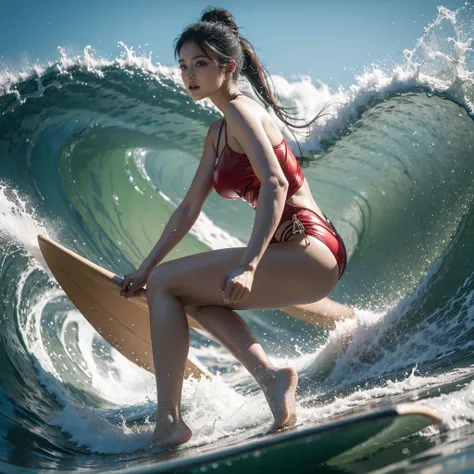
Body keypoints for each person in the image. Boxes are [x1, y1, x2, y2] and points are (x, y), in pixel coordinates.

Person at [120, 7, 348, 449]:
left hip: (308, 245)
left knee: (170, 285)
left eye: (200, 64)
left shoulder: (243, 113)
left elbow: (276, 183)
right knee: (184, 295)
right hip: (301, 252)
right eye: (183, 66)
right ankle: (272, 377)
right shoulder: (217, 132)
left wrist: (248, 264)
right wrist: (144, 269)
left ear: (227, 67)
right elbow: (188, 208)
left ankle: (168, 422)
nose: (189, 75)